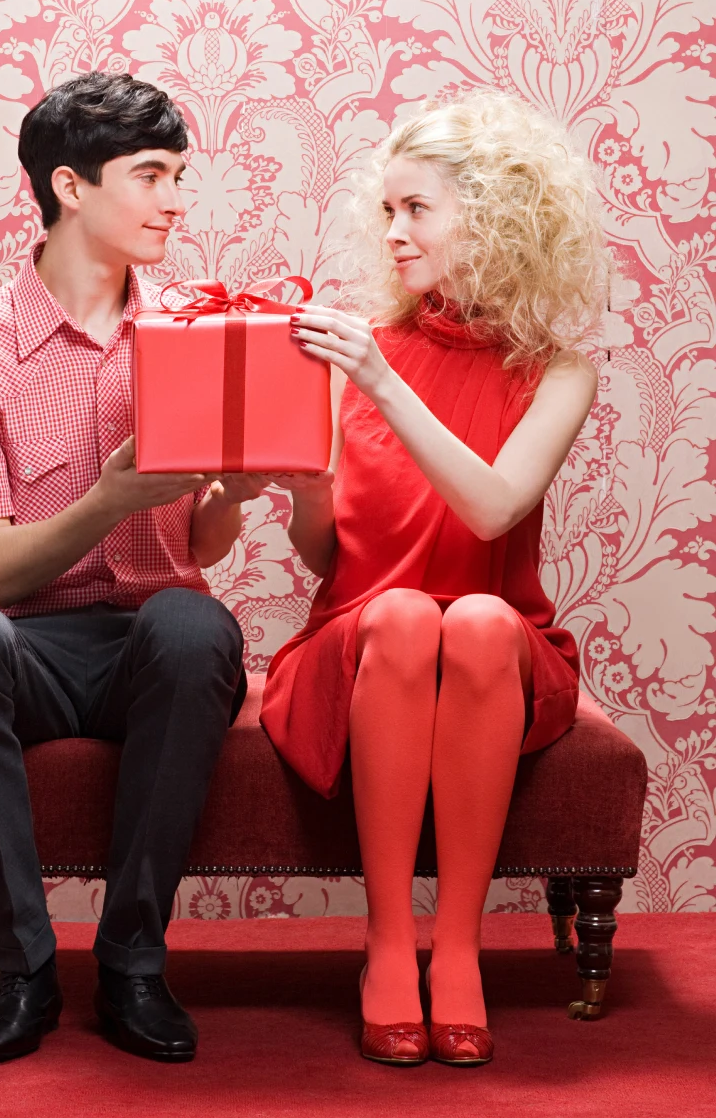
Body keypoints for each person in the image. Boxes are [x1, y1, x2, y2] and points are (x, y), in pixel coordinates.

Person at [0, 71, 271, 1064]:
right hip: (28, 644)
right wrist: (108, 498)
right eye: (151, 175)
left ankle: (133, 966)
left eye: (180, 176)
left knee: (196, 622)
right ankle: (22, 969)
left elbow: (196, 548)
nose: (174, 201)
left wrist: (233, 494)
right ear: (70, 186)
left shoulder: (198, 330)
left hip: (156, 644)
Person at [260, 89, 609, 1067]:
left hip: (501, 651)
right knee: (409, 614)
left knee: (486, 620)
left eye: (418, 210)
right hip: (362, 638)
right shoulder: (359, 352)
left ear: (492, 220)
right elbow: (335, 563)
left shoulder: (556, 371)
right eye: (389, 212)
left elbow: (493, 508)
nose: (396, 233)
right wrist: (301, 493)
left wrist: (379, 381)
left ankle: (456, 950)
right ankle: (384, 944)